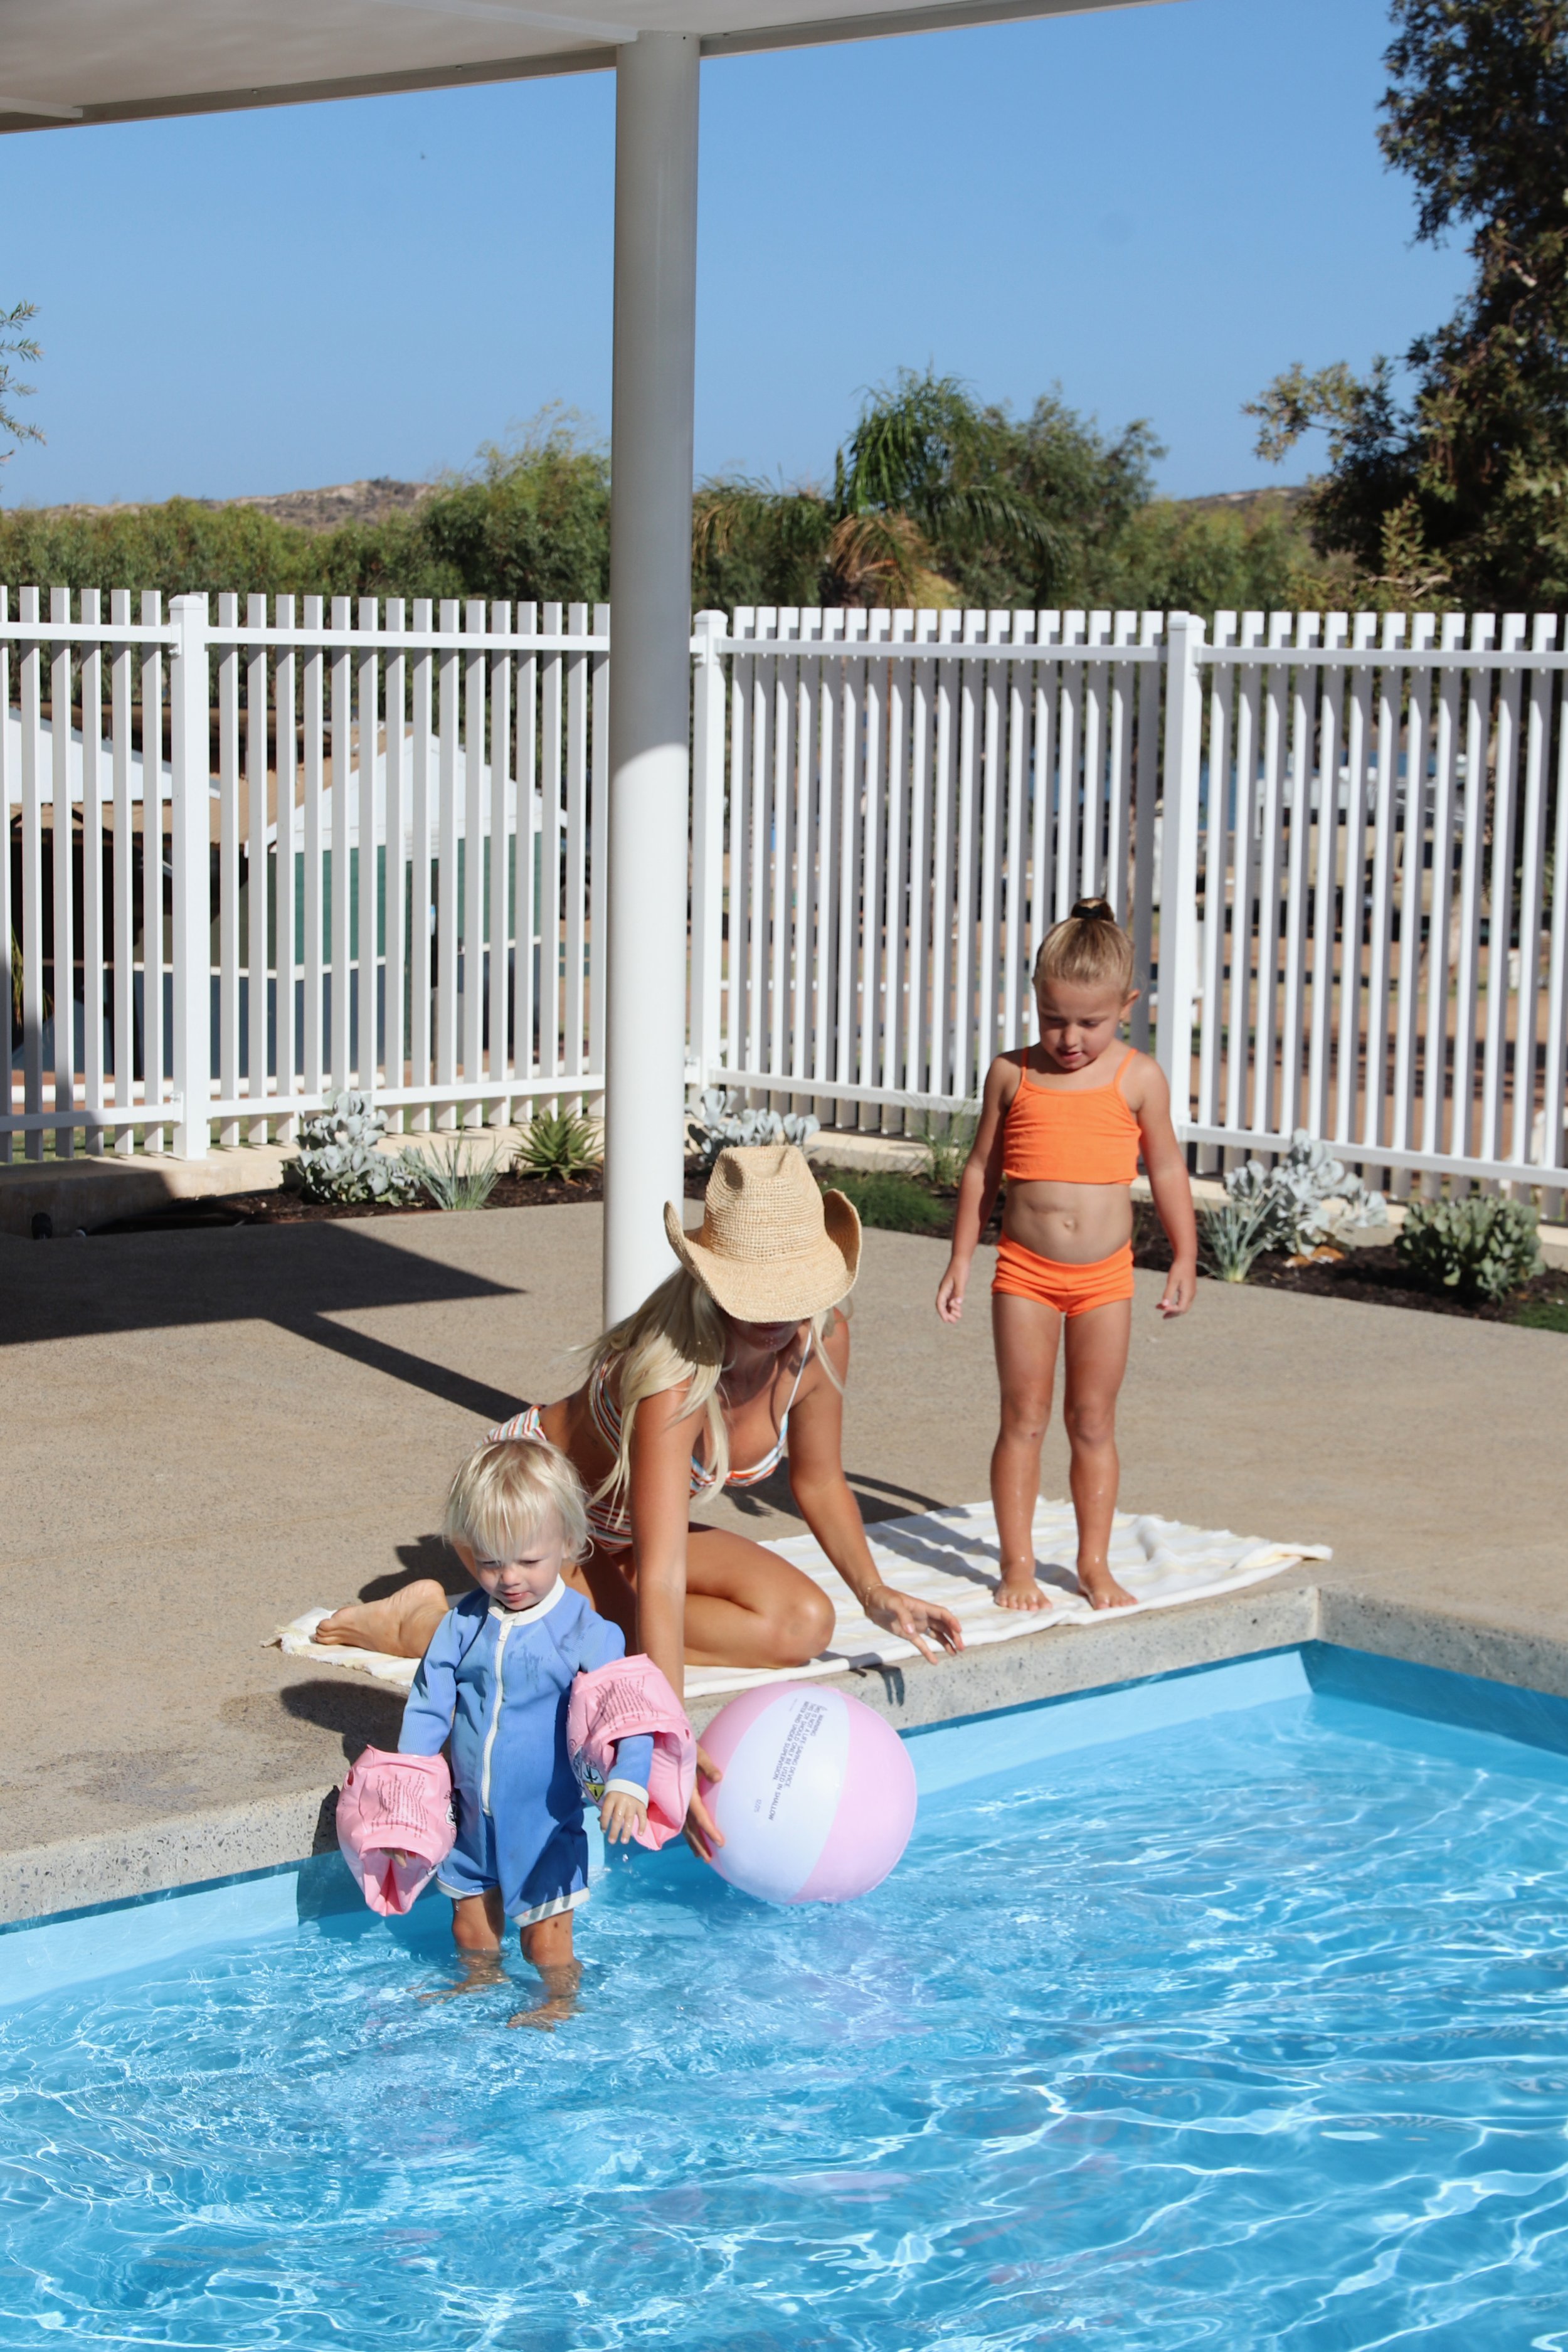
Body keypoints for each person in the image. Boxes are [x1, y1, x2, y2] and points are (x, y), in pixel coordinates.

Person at [320, 1144, 963, 1857]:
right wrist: (667, 1739)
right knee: (569, 1665)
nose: (779, 1314)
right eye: (758, 1292)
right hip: (533, 1507)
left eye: (794, 1290)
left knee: (801, 1624)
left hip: (626, 1526)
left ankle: (576, 1618)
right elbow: (661, 1572)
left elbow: (817, 1480)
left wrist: (875, 1594)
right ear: (714, 1279)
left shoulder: (821, 1338)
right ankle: (428, 1625)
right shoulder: (674, 1372)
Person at [936, 897, 1197, 1613]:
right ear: (1034, 1001)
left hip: (1106, 1279)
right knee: (1022, 1417)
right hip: (1024, 1272)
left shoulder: (1138, 1078)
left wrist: (1183, 1253)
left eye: (1090, 1021)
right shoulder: (1012, 1075)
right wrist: (961, 1257)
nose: (1070, 1038)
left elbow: (1168, 1169)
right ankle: (1017, 1562)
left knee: (1092, 1422)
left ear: (1127, 1006)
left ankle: (1092, 1562)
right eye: (1054, 1019)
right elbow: (981, 1171)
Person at [399, 1434, 654, 2029]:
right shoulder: (463, 1624)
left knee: (545, 1943)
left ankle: (561, 2000)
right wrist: (409, 1783)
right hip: (468, 1818)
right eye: (490, 1561)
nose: (508, 1577)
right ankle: (480, 1981)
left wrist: (629, 1783)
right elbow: (429, 1705)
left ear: (568, 1541)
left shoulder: (588, 1633)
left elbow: (628, 1716)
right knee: (470, 1926)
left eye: (527, 1561)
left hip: (543, 1826)